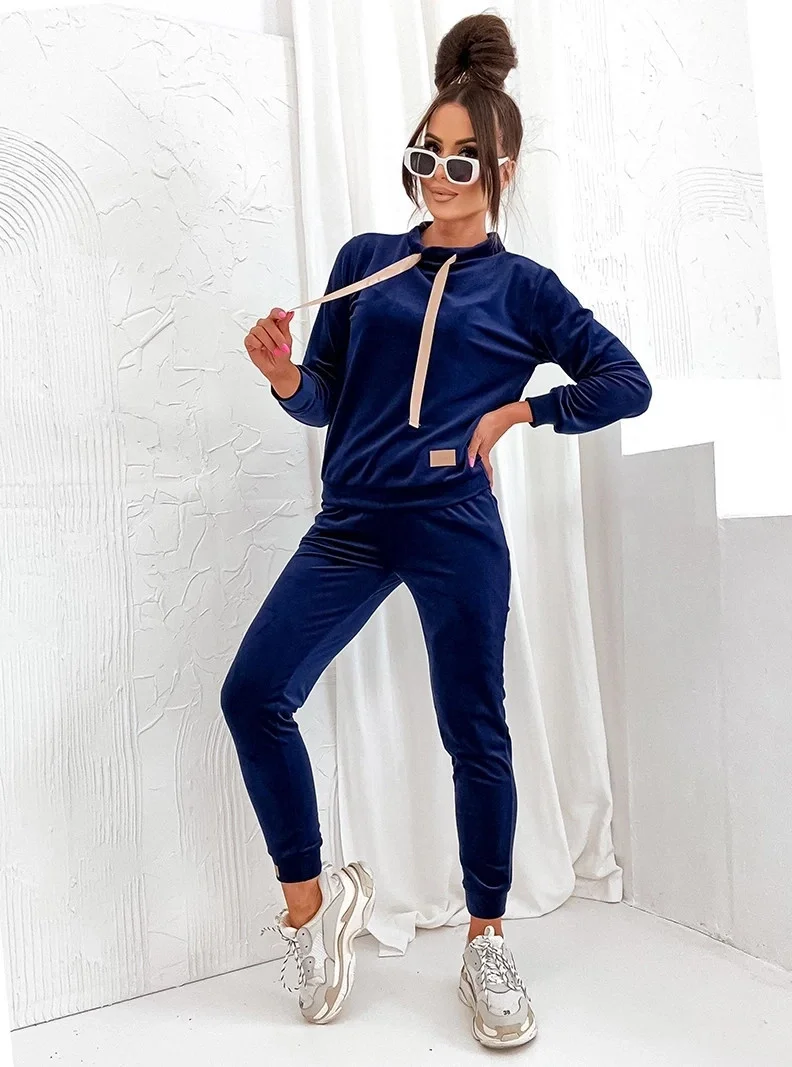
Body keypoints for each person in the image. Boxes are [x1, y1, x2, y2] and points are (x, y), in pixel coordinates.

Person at [220, 13, 651, 1051]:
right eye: (426, 155)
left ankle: (486, 940)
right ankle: (311, 912)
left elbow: (624, 381)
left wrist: (519, 412)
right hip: (352, 521)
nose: (440, 176)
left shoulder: (525, 288)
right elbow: (324, 400)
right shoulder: (366, 263)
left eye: (462, 160)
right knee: (253, 693)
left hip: (455, 523)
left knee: (474, 730)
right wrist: (283, 375)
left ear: (500, 169)